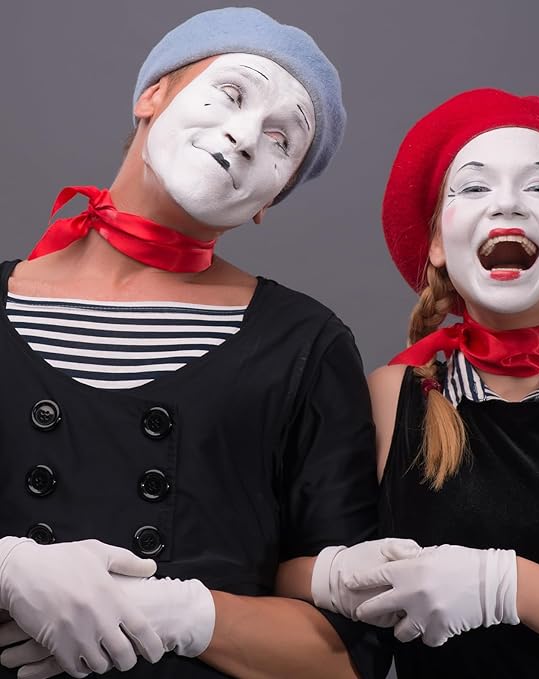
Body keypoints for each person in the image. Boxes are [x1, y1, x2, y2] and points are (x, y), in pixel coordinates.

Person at [0, 7, 390, 679]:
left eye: (281, 138)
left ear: (273, 198)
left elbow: (349, 653)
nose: (245, 136)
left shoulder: (306, 347)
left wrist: (177, 614)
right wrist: (8, 569)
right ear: (151, 95)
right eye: (232, 94)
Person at [306, 89, 539, 677]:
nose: (507, 203)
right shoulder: (390, 397)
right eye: (475, 187)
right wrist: (328, 575)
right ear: (436, 243)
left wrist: (508, 586)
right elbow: (289, 575)